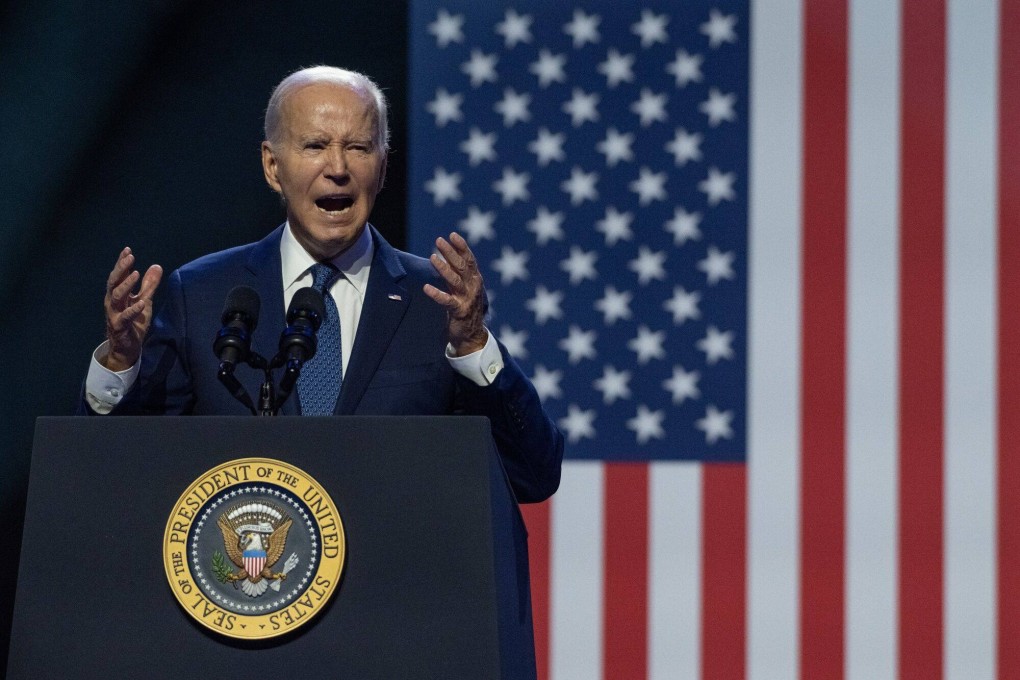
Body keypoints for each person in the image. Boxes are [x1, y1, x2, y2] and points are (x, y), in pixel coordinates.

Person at [81, 65, 563, 504]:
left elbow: (533, 476)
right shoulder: (203, 294)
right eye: (315, 146)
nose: (338, 167)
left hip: (395, 590)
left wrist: (475, 347)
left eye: (358, 147)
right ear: (273, 167)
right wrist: (121, 363)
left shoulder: (436, 302)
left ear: (384, 166)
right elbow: (111, 474)